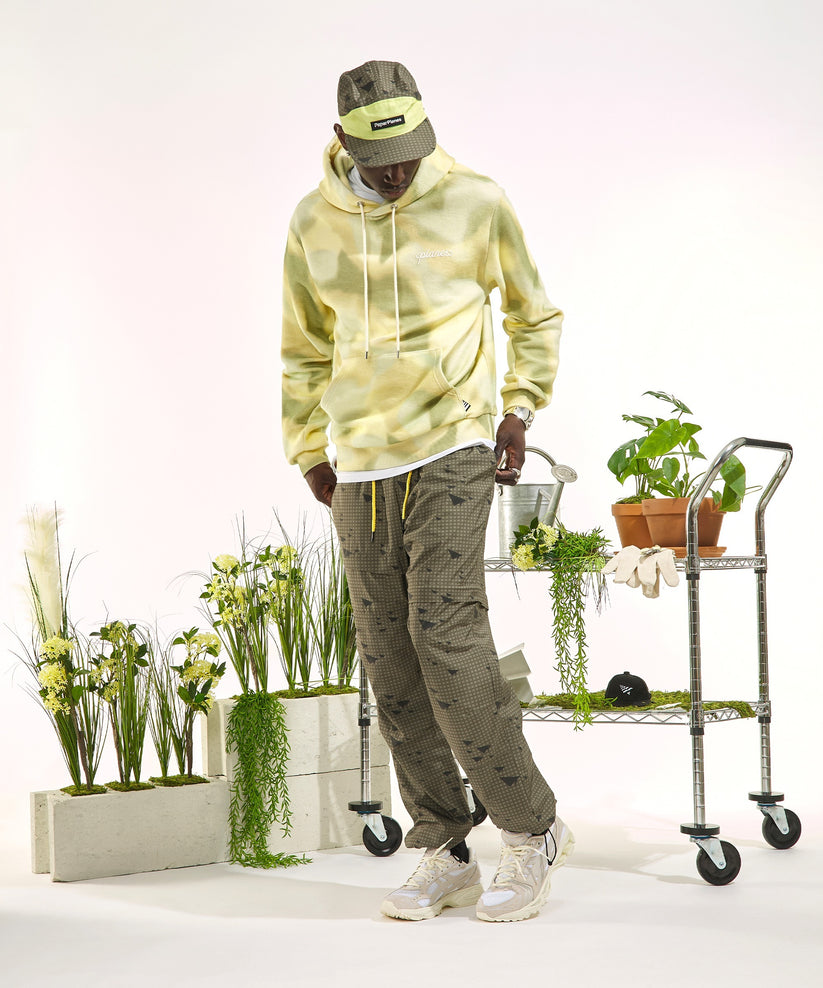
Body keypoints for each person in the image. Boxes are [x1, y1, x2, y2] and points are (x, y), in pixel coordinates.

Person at [281, 59, 572, 923]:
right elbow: (302, 346)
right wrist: (307, 448)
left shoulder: (476, 200)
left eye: (408, 153)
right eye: (380, 160)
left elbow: (531, 312)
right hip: (360, 461)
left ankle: (531, 831)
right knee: (388, 657)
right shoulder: (311, 222)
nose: (397, 172)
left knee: (445, 635)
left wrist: (517, 408)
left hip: (454, 440)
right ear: (342, 142)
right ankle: (443, 845)